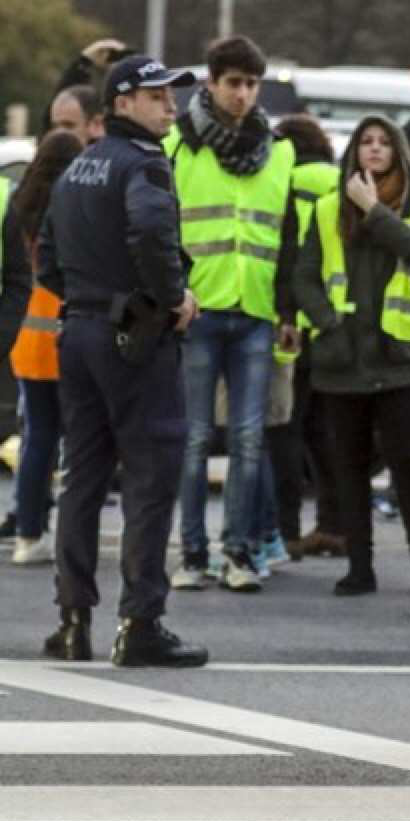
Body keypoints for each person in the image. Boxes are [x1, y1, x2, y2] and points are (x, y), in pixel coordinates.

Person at [36, 55, 208, 668]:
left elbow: (49, 258)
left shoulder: (79, 163)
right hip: (133, 338)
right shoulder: (145, 165)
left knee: (81, 479)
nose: (171, 106)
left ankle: (73, 621)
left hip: (78, 330)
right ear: (124, 101)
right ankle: (141, 624)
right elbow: (152, 232)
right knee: (150, 478)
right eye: (159, 96)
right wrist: (173, 299)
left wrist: (92, 300)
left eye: (172, 96)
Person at [165, 35, 298, 594]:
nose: (243, 94)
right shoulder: (177, 144)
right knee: (195, 439)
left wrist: (288, 309)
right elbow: (161, 229)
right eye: (234, 83)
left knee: (248, 440)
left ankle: (238, 554)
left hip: (257, 310)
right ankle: (193, 555)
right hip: (197, 310)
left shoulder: (279, 149)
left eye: (251, 84)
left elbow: (289, 240)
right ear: (211, 84)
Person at [293, 115, 410, 596]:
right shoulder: (329, 207)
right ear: (352, 151)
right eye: (365, 142)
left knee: (406, 462)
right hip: (342, 358)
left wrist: (374, 210)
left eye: (383, 143)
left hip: (401, 358)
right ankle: (360, 566)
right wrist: (328, 325)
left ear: (398, 152)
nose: (374, 150)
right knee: (346, 466)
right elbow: (305, 274)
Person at [4, 131, 85, 566]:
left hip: (26, 340)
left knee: (37, 439)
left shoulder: (17, 210)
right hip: (67, 335)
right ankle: (68, 532)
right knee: (78, 444)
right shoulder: (73, 206)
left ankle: (28, 533)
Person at [269, 114, 344, 560]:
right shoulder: (341, 181)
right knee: (326, 432)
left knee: (284, 429)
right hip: (333, 320)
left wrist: (285, 311)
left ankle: (286, 529)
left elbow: (285, 252)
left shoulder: (282, 180)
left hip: (290, 322)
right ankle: (334, 526)